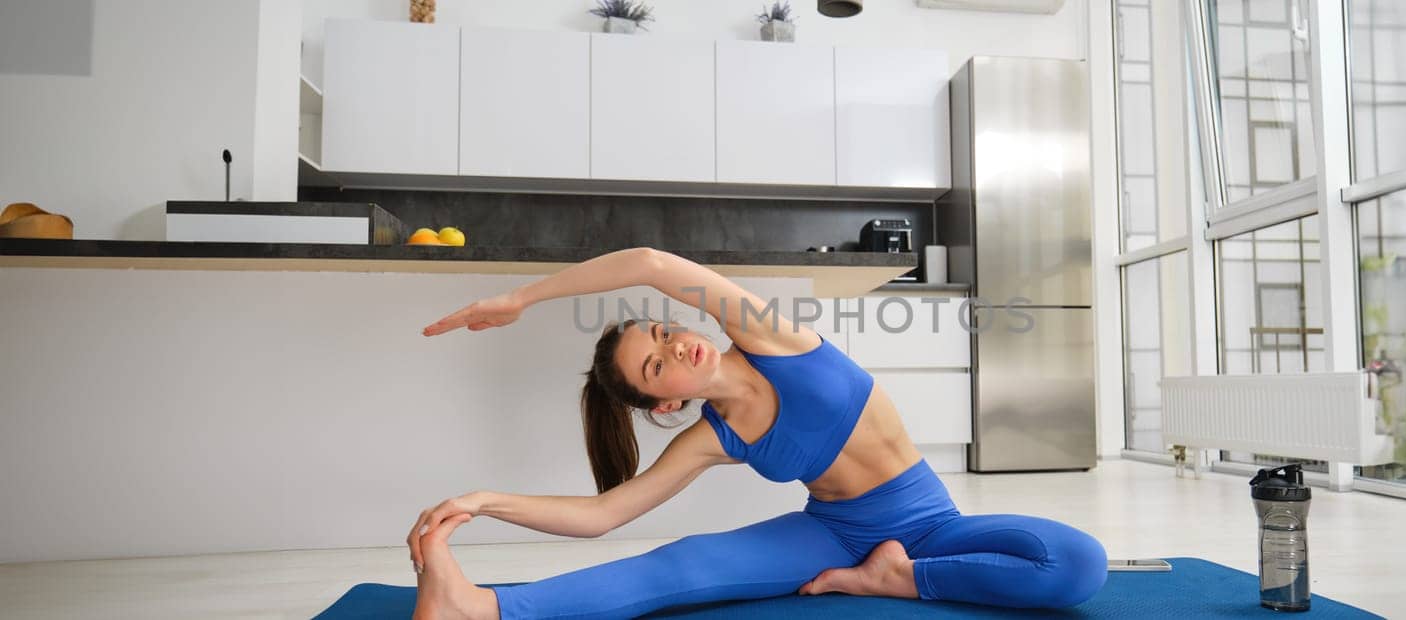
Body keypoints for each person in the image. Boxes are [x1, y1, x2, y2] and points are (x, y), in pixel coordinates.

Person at [404, 247, 1107, 619]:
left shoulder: (767, 335)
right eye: (656, 365)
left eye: (663, 332)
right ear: (665, 406)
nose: (677, 347)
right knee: (676, 569)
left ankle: (896, 581)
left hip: (928, 521)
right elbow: (603, 515)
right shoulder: (710, 436)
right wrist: (484, 501)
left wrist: (522, 298)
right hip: (832, 533)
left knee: (1077, 563)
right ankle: (480, 608)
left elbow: (650, 264)